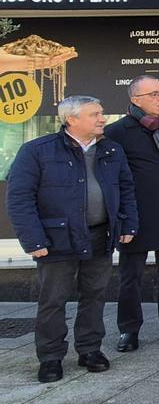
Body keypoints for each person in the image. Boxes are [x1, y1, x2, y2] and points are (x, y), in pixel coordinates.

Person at [7, 96, 137, 383]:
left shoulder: (112, 150)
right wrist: (33, 240)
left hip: (100, 234)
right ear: (72, 119)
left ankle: (90, 350)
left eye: (102, 113)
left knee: (95, 295)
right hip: (56, 238)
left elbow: (126, 190)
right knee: (53, 300)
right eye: (95, 114)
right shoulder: (37, 151)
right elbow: (19, 199)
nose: (103, 118)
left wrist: (129, 224)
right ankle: (51, 357)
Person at [105, 75, 159, 351]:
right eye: (152, 93)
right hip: (136, 216)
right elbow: (112, 178)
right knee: (131, 277)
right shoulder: (118, 131)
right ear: (135, 100)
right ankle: (128, 330)